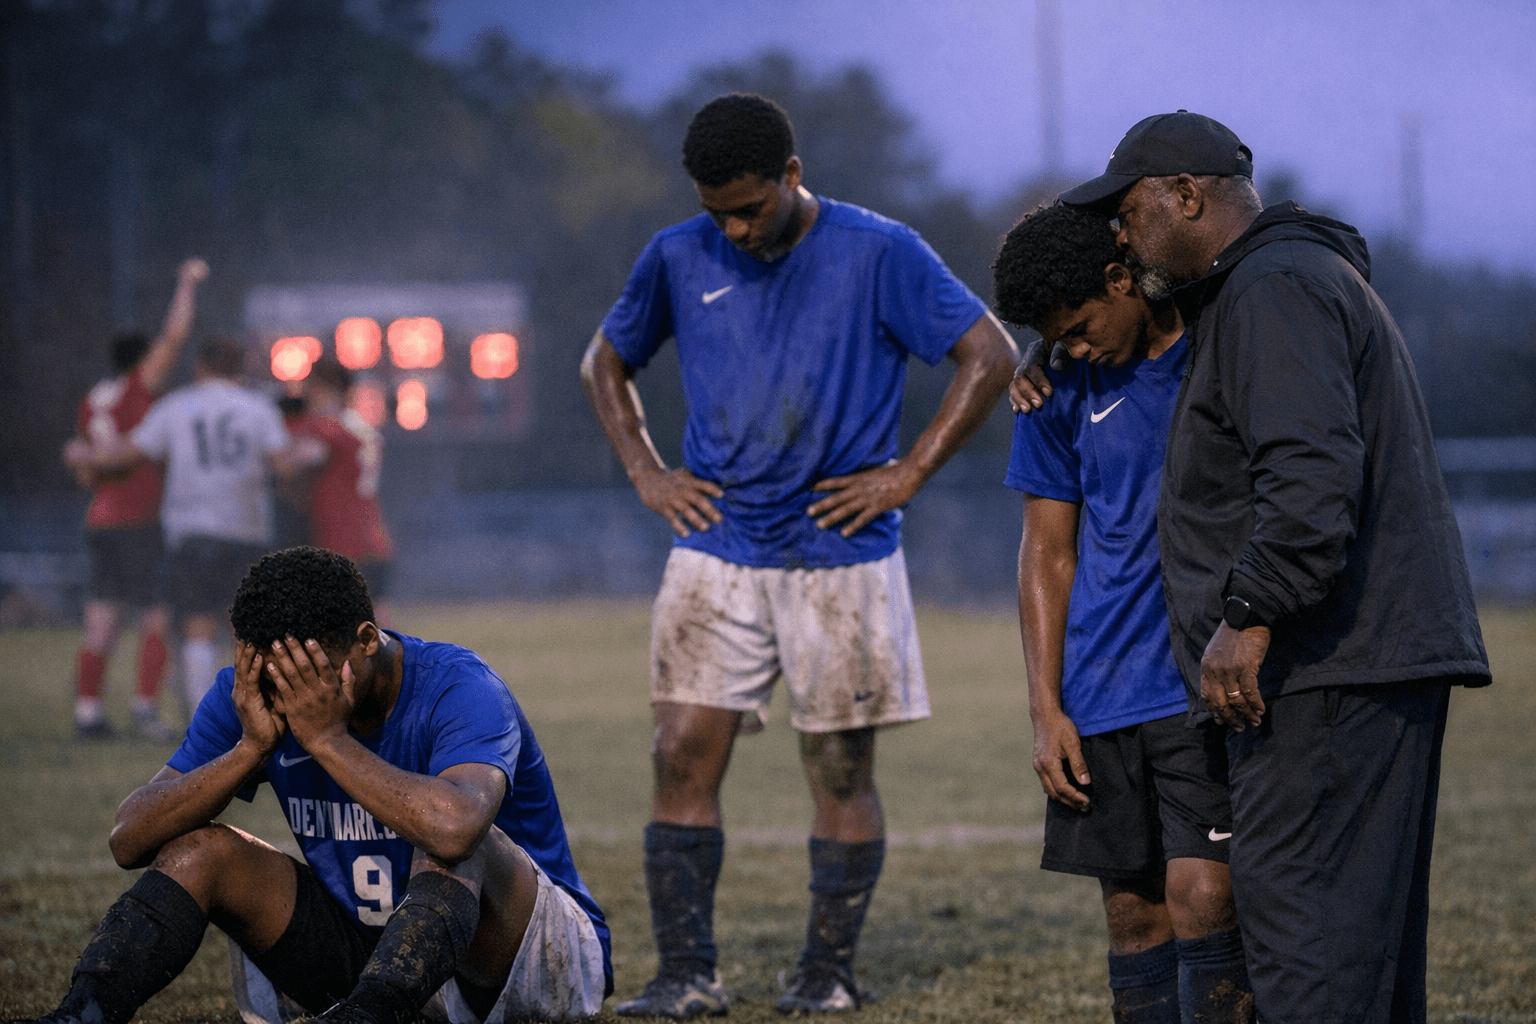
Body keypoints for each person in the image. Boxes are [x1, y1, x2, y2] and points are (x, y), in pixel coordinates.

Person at [582, 93, 1017, 1017]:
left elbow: (990, 354)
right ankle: (686, 974)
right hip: (719, 545)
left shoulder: (880, 250)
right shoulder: (675, 253)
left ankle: (827, 973)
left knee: (841, 770)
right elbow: (603, 363)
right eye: (716, 212)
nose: (734, 229)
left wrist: (907, 472)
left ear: (792, 174)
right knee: (678, 753)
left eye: (750, 206)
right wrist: (648, 472)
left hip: (840, 550)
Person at [1059, 111, 1491, 1023]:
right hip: (1360, 662)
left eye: (1131, 215)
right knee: (1359, 955)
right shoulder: (1281, 278)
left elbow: (1309, 472)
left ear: (1187, 196)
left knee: (1309, 950)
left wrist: (1249, 612)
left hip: (1326, 665)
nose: (1122, 236)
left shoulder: (1272, 288)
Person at [27, 545, 611, 1024]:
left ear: (365, 638)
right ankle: (83, 1013)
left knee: (456, 842)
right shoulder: (252, 691)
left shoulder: (461, 686)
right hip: (380, 958)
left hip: (528, 961)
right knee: (201, 849)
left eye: (316, 674)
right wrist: (249, 749)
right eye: (282, 681)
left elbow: (457, 831)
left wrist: (328, 740)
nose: (299, 697)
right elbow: (129, 837)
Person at [993, 203, 1252, 1024]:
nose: (1071, 347)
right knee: (1131, 912)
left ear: (1120, 279)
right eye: (1053, 338)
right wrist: (1045, 708)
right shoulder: (1059, 384)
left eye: (1075, 328)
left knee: (1204, 893)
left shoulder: (1222, 352)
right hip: (1098, 692)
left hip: (1195, 681)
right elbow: (1046, 553)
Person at [69, 334, 311, 718]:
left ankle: (205, 718)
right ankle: (256, 715)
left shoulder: (176, 406)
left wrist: (83, 454)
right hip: (245, 529)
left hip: (191, 532)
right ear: (238, 369)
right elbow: (284, 466)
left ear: (200, 367)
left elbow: (127, 454)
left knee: (198, 622)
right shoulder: (257, 407)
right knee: (245, 630)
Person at [64, 256, 209, 739]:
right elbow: (175, 336)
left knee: (102, 616)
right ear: (141, 360)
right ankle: (146, 709)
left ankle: (88, 711)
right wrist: (185, 283)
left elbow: (87, 470)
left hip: (101, 519)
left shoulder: (94, 397)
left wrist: (83, 458)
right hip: (138, 520)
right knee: (157, 615)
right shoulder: (136, 388)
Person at [285, 357, 397, 622]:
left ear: (320, 387)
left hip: (343, 536)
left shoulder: (329, 427)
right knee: (375, 613)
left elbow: (299, 459)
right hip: (372, 531)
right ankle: (391, 664)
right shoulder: (362, 427)